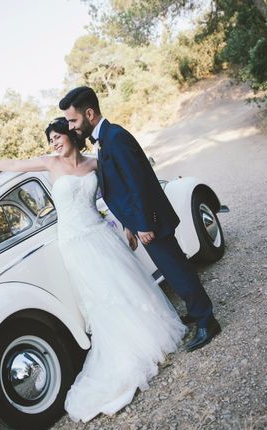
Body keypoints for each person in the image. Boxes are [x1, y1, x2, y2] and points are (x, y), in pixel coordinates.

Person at [0, 117, 187, 422]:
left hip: (99, 232)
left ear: (72, 136)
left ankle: (148, 338)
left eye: (58, 137)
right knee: (102, 296)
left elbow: (115, 195)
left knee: (124, 284)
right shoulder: (50, 164)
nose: (55, 143)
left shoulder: (94, 164)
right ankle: (124, 352)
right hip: (74, 241)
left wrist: (128, 223)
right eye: (51, 140)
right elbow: (15, 164)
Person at [59, 86, 221, 352]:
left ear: (89, 113)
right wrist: (130, 225)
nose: (71, 126)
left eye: (73, 120)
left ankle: (207, 321)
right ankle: (196, 310)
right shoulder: (104, 140)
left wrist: (144, 223)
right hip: (141, 222)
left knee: (177, 269)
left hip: (151, 221)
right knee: (173, 268)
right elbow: (120, 188)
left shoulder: (116, 137)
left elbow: (138, 184)